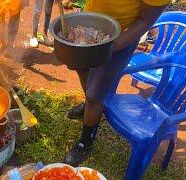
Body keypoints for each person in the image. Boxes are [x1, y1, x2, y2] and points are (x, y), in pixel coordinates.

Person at [63, 0, 171, 167]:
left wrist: (108, 46)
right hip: (88, 25)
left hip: (119, 37)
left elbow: (146, 20)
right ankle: (89, 108)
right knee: (81, 68)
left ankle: (86, 142)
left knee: (95, 94)